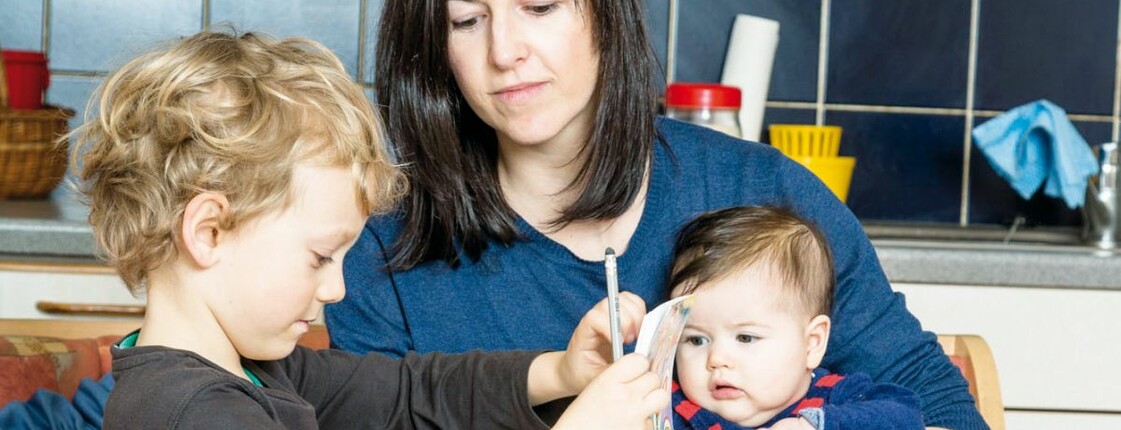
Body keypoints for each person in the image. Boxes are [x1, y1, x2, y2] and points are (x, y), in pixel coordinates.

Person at [326, 0, 985, 428]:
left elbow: (938, 406)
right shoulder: (382, 250)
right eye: (467, 20)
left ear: (605, 15)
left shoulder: (762, 191)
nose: (505, 51)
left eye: (539, 6)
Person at [69, 30, 668, 429]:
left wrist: (561, 373)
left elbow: (411, 393)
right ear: (209, 232)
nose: (336, 290)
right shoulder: (197, 414)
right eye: (320, 256)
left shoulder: (254, 368)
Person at [667, 206, 923, 430]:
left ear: (812, 343)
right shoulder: (671, 410)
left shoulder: (837, 398)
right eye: (697, 340)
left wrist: (813, 426)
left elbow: (907, 418)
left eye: (745, 337)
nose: (717, 360)